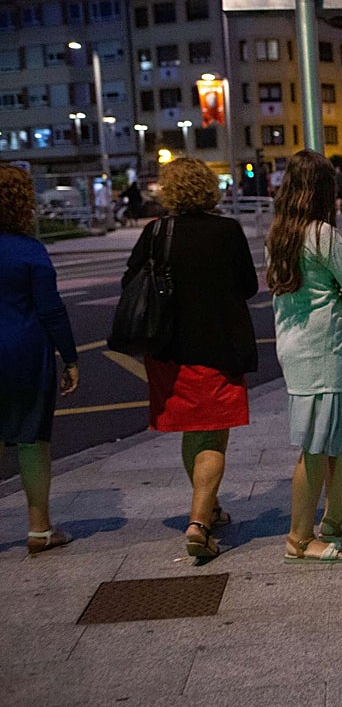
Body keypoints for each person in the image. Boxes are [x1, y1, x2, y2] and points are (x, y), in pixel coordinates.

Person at [122, 157, 258, 560]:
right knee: (213, 434)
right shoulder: (228, 231)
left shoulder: (156, 232)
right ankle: (200, 521)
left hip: (168, 350)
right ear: (208, 188)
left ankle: (209, 507)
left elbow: (131, 281)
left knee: (190, 430)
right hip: (218, 347)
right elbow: (248, 286)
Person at [267, 150, 342, 564]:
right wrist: (339, 293)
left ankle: (337, 517)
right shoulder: (322, 234)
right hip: (323, 351)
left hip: (296, 347)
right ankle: (299, 537)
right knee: (315, 446)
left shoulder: (278, 235)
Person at [0, 165, 80, 555]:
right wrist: (70, 357)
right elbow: (50, 311)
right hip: (24, 354)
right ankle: (39, 528)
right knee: (32, 441)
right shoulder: (29, 251)